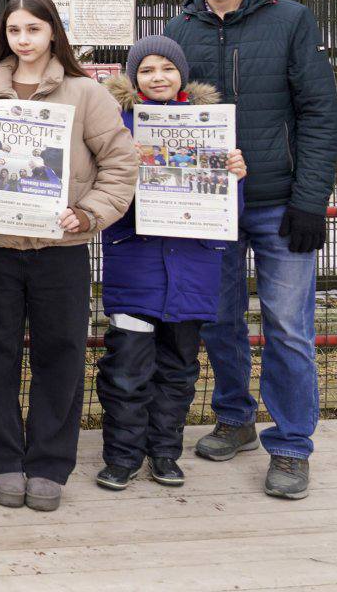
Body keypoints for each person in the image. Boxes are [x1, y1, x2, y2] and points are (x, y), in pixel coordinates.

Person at [164, 0, 337, 501]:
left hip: (277, 204)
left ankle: (290, 445)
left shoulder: (291, 20)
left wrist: (310, 199)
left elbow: (318, 112)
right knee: (218, 319)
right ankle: (235, 417)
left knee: (288, 327)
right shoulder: (179, 29)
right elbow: (165, 113)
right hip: (209, 205)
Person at [0, 0, 137, 513]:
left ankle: (50, 463)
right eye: (14, 30)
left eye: (34, 29)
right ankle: (2, 461)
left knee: (61, 355)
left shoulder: (86, 94)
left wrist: (91, 212)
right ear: (3, 36)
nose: (24, 39)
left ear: (53, 31)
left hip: (60, 250)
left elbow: (121, 165)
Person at [94, 36, 246, 491]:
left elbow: (229, 214)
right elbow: (102, 191)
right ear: (132, 77)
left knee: (178, 370)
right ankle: (121, 457)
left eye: (166, 68)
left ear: (181, 73)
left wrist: (234, 176)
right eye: (146, 70)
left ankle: (164, 453)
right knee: (126, 369)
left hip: (193, 272)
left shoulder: (210, 128)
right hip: (134, 268)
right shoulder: (115, 126)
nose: (157, 77)